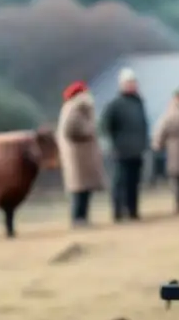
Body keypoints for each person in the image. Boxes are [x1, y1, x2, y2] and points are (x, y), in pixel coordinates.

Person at [99, 67, 149, 222]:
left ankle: (133, 211)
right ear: (122, 85)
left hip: (137, 150)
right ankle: (118, 213)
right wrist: (114, 143)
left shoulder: (139, 103)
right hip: (121, 151)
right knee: (120, 183)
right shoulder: (114, 105)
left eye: (133, 82)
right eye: (129, 82)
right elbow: (105, 126)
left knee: (134, 183)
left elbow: (143, 124)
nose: (132, 85)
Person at [55, 81, 105, 227]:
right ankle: (78, 218)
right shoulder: (74, 108)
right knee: (79, 188)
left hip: (81, 154)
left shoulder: (75, 108)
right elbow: (69, 130)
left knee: (83, 187)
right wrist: (88, 131)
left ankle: (82, 217)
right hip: (78, 155)